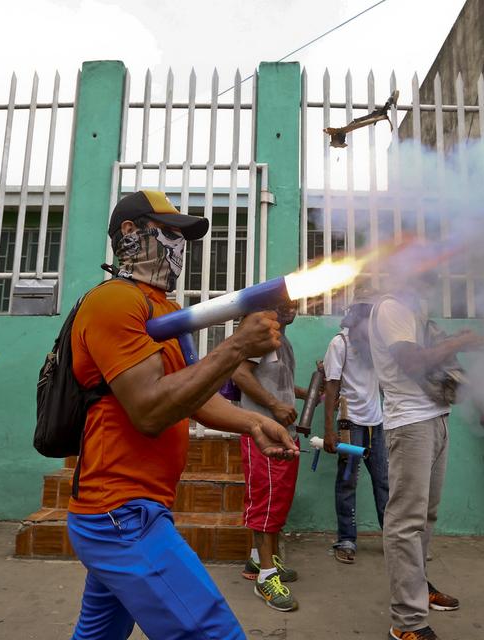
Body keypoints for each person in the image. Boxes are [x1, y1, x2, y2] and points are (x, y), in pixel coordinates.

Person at [67, 190, 298, 640]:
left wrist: (254, 423)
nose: (179, 245)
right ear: (130, 233)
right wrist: (235, 348)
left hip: (137, 509)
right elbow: (150, 411)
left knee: (98, 636)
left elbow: (189, 396)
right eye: (169, 232)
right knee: (213, 633)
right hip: (119, 514)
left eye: (182, 236)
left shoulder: (165, 310)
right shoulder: (113, 302)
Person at [368, 272, 484, 640]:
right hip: (411, 424)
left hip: (434, 417)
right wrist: (458, 343)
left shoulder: (413, 313)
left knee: (425, 517)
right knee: (405, 522)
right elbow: (413, 362)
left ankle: (419, 589)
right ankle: (407, 622)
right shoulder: (391, 308)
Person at [232, 300, 307, 612]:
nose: (291, 307)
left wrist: (313, 392)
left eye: (294, 302)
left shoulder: (282, 341)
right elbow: (239, 373)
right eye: (283, 303)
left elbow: (281, 385)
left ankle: (257, 560)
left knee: (275, 501)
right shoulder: (261, 337)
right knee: (266, 501)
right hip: (262, 433)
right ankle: (266, 576)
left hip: (281, 433)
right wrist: (275, 406)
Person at [323, 296, 388, 564]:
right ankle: (346, 539)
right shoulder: (340, 344)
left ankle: (393, 538)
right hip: (350, 424)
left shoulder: (377, 345)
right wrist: (329, 429)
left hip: (377, 424)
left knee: (384, 481)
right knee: (347, 481)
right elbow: (331, 387)